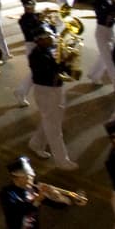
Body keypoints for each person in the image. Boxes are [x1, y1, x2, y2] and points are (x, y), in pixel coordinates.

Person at [28, 26, 77, 170]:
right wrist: (65, 60)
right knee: (54, 127)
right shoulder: (36, 56)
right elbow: (50, 71)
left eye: (51, 35)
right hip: (45, 91)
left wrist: (69, 63)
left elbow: (60, 67)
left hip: (57, 88)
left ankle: (36, 143)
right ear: (39, 40)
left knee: (52, 119)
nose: (52, 37)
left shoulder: (52, 48)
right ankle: (62, 160)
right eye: (48, 36)